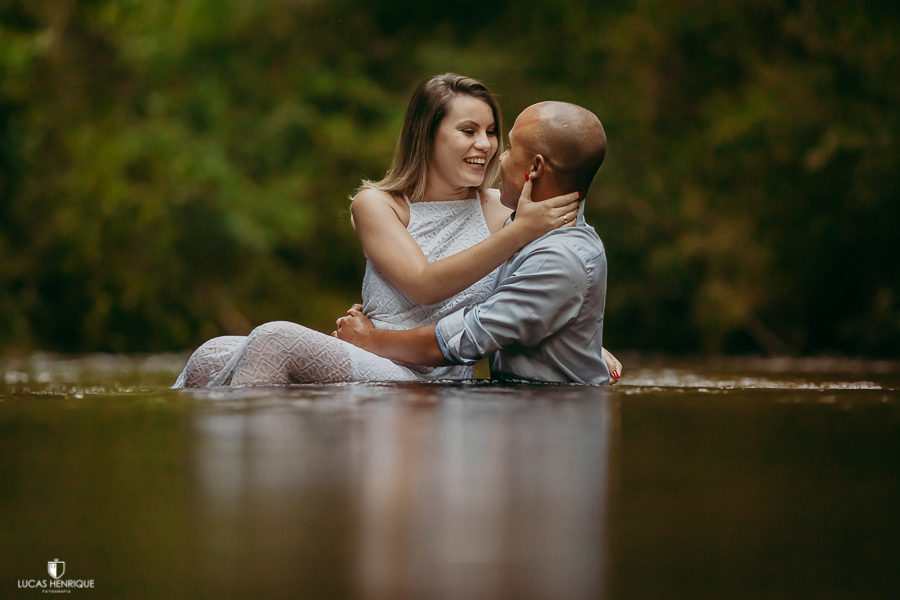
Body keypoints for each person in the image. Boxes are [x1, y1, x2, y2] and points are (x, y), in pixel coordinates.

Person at [173, 75, 619, 387]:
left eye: (491, 132)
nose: (486, 146)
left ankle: (253, 483)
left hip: (431, 374)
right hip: (370, 351)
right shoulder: (379, 204)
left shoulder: (509, 210)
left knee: (274, 339)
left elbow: (541, 289)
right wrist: (519, 231)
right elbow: (423, 283)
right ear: (427, 136)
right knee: (210, 353)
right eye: (468, 131)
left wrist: (586, 345)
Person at [335, 101, 616, 384]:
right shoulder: (522, 227)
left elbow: (462, 339)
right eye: (469, 131)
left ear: (535, 167)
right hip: (513, 402)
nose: (498, 156)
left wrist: (371, 339)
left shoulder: (558, 256)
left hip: (552, 408)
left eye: (507, 146)